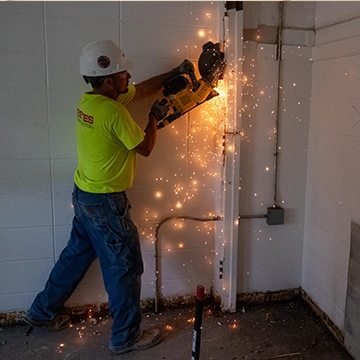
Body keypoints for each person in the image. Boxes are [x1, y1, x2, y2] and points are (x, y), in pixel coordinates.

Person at [24, 39, 194, 355]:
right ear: (108, 79)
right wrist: (155, 117)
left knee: (74, 257)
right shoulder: (114, 114)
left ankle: (41, 311)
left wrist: (174, 72)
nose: (128, 77)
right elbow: (144, 147)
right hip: (105, 205)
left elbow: (140, 90)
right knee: (125, 268)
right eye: (123, 74)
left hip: (85, 196)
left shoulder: (89, 103)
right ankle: (125, 337)